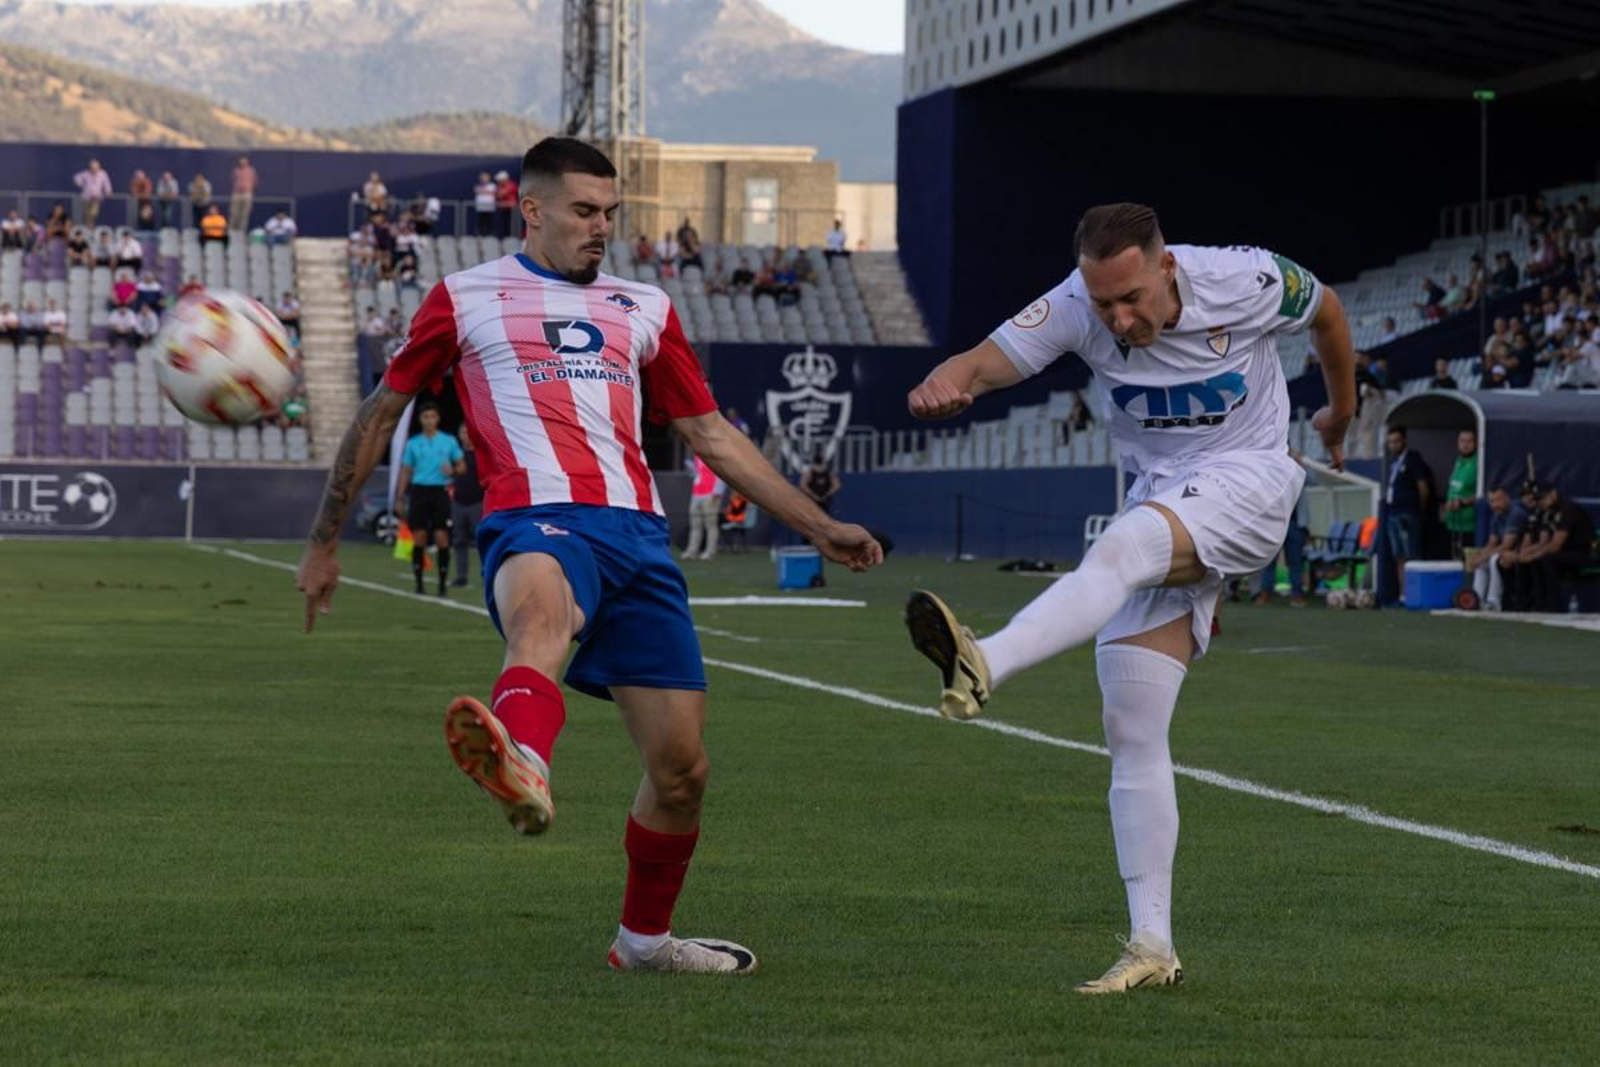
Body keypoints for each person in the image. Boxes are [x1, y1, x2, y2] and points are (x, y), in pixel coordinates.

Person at [295, 137, 882, 977]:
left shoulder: (644, 307)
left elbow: (710, 432)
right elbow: (382, 413)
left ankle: (643, 944)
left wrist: (818, 524)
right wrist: (324, 542)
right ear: (531, 210)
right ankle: (523, 759)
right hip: (533, 518)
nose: (601, 227)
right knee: (543, 614)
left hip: (640, 539)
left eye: (610, 213)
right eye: (583, 211)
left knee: (682, 773)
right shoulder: (463, 298)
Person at [900, 202, 1355, 994]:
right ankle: (1153, 946)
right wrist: (946, 383)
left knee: (1122, 546)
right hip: (1165, 490)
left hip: (1252, 477)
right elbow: (984, 362)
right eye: (1103, 301)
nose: (1117, 316)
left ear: (1166, 265)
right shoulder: (1076, 306)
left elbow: (1329, 311)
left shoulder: (1242, 276)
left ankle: (987, 661)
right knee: (1130, 720)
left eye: (1131, 298)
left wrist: (1340, 409)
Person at [396, 402, 465, 597]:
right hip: (419, 491)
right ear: (420, 419)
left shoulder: (449, 441)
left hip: (440, 491)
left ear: (438, 419)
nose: (429, 421)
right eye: (426, 417)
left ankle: (442, 585)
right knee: (419, 537)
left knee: (442, 537)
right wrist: (400, 497)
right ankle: (419, 584)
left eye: (432, 417)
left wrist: (453, 470)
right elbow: (406, 470)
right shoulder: (413, 443)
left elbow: (461, 467)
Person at [1508, 483, 1597, 612]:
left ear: (1553, 494)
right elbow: (1544, 541)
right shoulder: (1547, 512)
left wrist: (1532, 555)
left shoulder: (1567, 509)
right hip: (1564, 551)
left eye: (1543, 498)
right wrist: (1524, 554)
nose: (1540, 502)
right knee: (1527, 559)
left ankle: (1552, 604)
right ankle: (1528, 602)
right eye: (1538, 499)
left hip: (1583, 552)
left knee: (1546, 559)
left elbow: (1556, 545)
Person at [1384, 425, 1432, 596]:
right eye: (1390, 442)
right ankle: (1404, 594)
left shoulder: (1413, 459)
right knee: (1399, 556)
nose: (1393, 445)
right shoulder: (1393, 462)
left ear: (1404, 441)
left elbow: (1422, 487)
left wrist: (1419, 511)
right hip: (1393, 513)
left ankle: (1415, 592)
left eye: (1397, 441)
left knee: (1412, 553)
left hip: (1408, 513)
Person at [1467, 486, 1525, 611]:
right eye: (1492, 501)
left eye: (1498, 500)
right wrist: (1479, 557)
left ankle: (1494, 602)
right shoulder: (1496, 517)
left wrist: (1483, 557)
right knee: (1481, 563)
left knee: (1494, 559)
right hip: (1504, 553)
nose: (1495, 504)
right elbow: (1492, 543)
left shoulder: (1516, 513)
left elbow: (1506, 545)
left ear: (1507, 498)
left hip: (1520, 552)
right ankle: (1476, 599)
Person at [450, 424, 484, 588]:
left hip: (478, 502)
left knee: (482, 540)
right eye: (463, 431)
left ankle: (487, 572)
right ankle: (461, 576)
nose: (466, 435)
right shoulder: (455, 455)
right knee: (459, 541)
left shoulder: (482, 454)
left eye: (468, 431)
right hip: (458, 502)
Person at [1442, 429, 1478, 558]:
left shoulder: (1477, 463)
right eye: (1462, 441)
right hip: (1452, 521)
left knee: (1465, 561)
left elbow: (1481, 493)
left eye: (1469, 441)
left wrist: (1462, 502)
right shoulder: (1458, 461)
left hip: (1468, 523)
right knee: (1453, 559)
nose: (1465, 444)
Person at [682, 453, 724, 561]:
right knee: (695, 524)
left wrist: (717, 492)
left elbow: (721, 475)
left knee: (710, 525)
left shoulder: (714, 455)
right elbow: (697, 474)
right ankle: (692, 551)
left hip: (710, 494)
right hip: (697, 492)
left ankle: (710, 551)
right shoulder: (697, 456)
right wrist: (691, 470)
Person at [73, 159, 112, 229]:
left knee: (93, 215)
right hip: (87, 198)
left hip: (96, 198)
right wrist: (81, 184)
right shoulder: (86, 173)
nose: (94, 170)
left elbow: (106, 183)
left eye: (96, 168)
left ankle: (91, 228)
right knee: (87, 215)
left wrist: (108, 191)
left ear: (99, 168)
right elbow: (76, 178)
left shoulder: (102, 174)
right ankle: (88, 228)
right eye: (92, 168)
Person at [801, 450, 840, 514]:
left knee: (824, 515)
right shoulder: (810, 473)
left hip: (824, 499)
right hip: (813, 499)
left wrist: (827, 494)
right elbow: (803, 485)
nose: (819, 468)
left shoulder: (828, 473)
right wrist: (813, 495)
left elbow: (837, 484)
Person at [230, 155, 258, 231]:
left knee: (244, 214)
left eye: (244, 162)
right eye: (241, 162)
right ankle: (232, 230)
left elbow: (254, 181)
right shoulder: (236, 170)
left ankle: (241, 231)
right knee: (234, 213)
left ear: (247, 163)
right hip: (237, 193)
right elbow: (233, 180)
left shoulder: (251, 171)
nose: (243, 164)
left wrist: (249, 189)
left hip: (247, 194)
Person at [494, 170, 518, 238]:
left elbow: (500, 195)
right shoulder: (500, 186)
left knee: (511, 226)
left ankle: (512, 239)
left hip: (512, 210)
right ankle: (506, 240)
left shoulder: (511, 185)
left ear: (505, 179)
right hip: (504, 209)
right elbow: (497, 194)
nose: (498, 182)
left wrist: (497, 193)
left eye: (500, 180)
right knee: (504, 226)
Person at [473, 172, 497, 236]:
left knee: (489, 222)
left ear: (488, 179)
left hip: (489, 207)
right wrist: (487, 192)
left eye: (485, 178)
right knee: (480, 222)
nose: (483, 179)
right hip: (480, 208)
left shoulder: (492, 186)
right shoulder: (477, 186)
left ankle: (490, 235)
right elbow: (477, 191)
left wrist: (483, 191)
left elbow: (493, 192)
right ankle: (480, 235)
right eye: (482, 178)